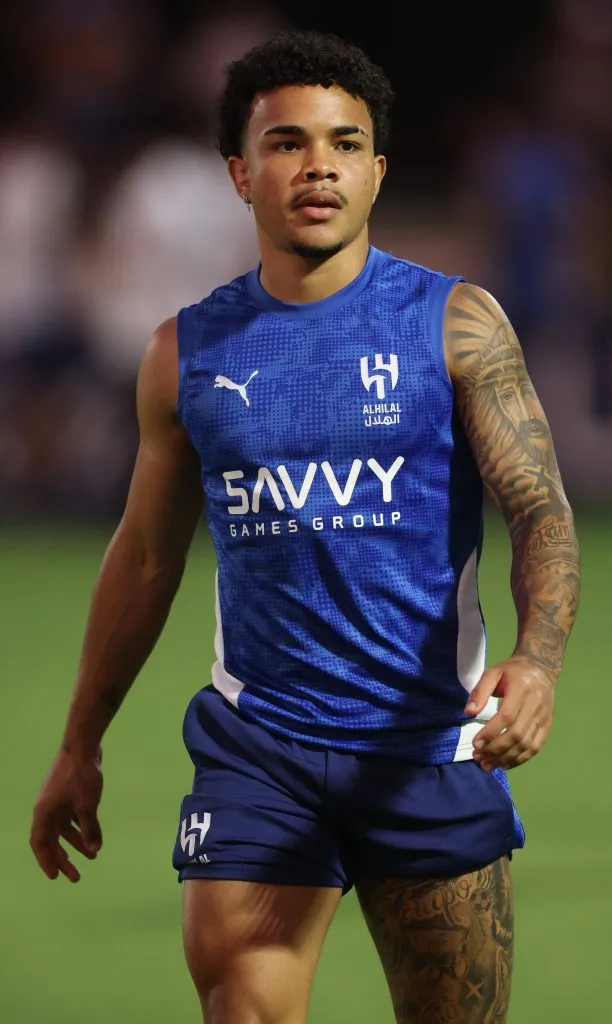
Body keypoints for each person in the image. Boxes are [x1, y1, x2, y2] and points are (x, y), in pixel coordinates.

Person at [30, 30, 580, 1024]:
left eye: (345, 142)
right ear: (241, 173)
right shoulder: (182, 355)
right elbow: (148, 554)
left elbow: (540, 510)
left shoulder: (456, 326)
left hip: (431, 745)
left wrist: (536, 662)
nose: (318, 163)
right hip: (259, 754)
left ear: (378, 170)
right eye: (287, 142)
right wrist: (80, 742)